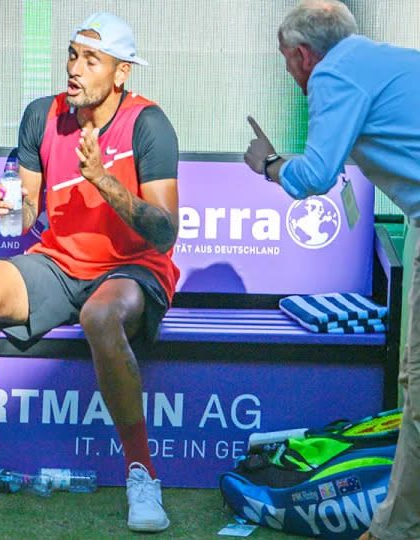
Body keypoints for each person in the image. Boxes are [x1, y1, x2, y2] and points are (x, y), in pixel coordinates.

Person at [0, 12, 180, 533]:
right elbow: (26, 211)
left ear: (121, 74)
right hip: (60, 263)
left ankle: (142, 472)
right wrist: (8, 209)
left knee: (99, 315)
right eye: (73, 54)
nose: (75, 68)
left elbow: (165, 233)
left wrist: (103, 180)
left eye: (91, 60)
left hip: (132, 269)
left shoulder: (148, 123)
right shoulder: (41, 115)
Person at [243, 1, 420, 538]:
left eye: (285, 61)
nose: (290, 75)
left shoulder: (332, 74)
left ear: (302, 54)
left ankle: (394, 531)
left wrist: (268, 164)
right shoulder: (392, 61)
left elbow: (315, 176)